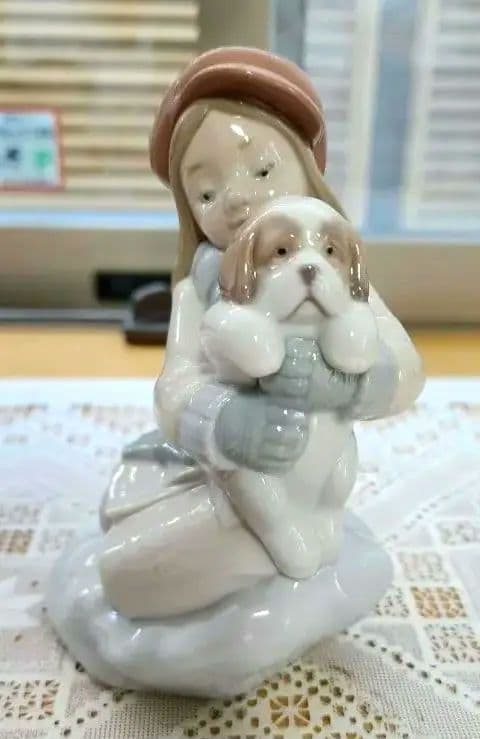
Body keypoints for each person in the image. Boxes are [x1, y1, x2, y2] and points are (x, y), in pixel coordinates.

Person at [98, 47, 424, 617]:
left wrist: (343, 385)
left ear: (307, 168)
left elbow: (408, 369)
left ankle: (262, 571)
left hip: (313, 475)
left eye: (263, 170)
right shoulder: (198, 291)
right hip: (229, 469)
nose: (237, 197)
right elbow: (173, 389)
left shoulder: (336, 271)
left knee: (137, 569)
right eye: (206, 192)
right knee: (123, 505)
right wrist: (227, 422)